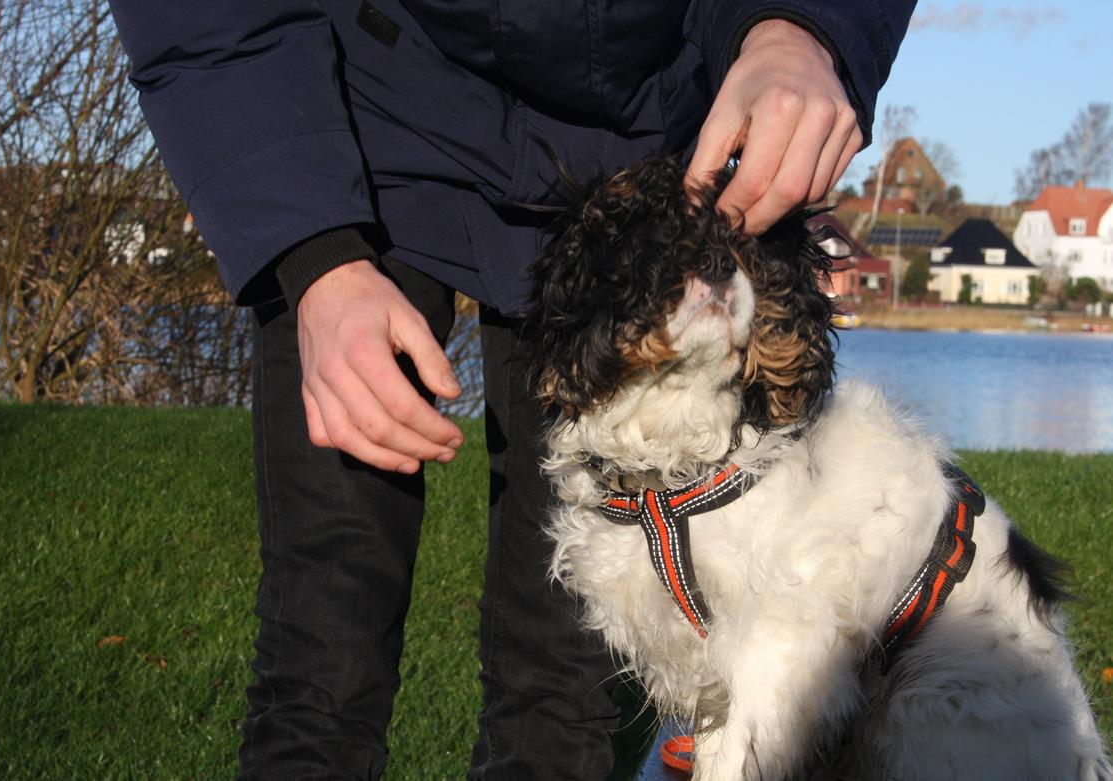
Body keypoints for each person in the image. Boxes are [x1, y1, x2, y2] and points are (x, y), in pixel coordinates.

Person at [106, 2, 915, 778]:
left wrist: (799, 31)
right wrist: (314, 255)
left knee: (565, 688)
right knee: (321, 656)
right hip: (353, 127)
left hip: (636, 161)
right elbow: (203, 21)